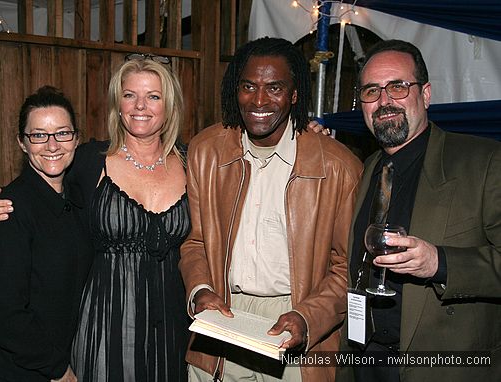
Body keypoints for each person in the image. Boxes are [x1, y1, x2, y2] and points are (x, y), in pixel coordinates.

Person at [0, 55, 191, 381]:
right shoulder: (89, 161)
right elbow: (39, 185)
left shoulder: (192, 162)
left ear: (169, 105)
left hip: (170, 319)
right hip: (106, 321)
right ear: (118, 103)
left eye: (153, 96)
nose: (139, 105)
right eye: (129, 95)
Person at [179, 37, 363, 382]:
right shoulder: (206, 151)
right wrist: (200, 290)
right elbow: (196, 243)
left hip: (295, 320)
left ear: (294, 95)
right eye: (248, 86)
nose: (259, 100)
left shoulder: (338, 166)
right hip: (223, 317)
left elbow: (348, 268)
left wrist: (309, 318)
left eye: (274, 88)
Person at [335, 39, 501, 382]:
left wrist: (440, 263)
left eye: (398, 86)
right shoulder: (367, 169)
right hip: (364, 362)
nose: (384, 101)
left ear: (425, 94)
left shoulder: (484, 162)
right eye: (371, 91)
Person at [0, 86, 93, 381]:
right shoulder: (7, 210)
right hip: (13, 368)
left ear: (76, 139)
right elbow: (8, 316)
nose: (52, 145)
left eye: (62, 133)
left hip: (54, 355)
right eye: (38, 135)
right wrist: (58, 370)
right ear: (22, 143)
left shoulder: (78, 196)